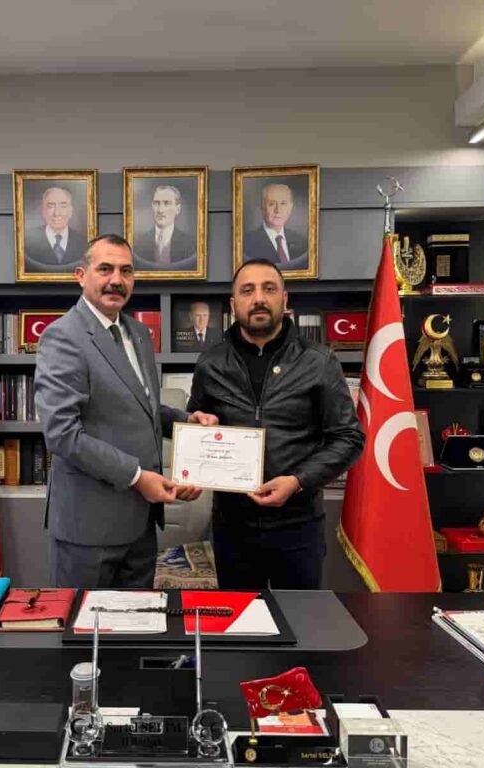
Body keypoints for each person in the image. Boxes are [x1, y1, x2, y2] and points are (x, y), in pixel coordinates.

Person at [35, 234, 217, 588]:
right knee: (83, 622)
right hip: (88, 531)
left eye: (126, 271)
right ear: (81, 276)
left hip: (141, 525)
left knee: (138, 620)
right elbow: (62, 434)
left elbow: (140, 406)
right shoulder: (63, 337)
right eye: (105, 269)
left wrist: (186, 423)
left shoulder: (138, 333)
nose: (116, 280)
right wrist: (136, 477)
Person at [187, 258, 364, 589]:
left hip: (299, 527)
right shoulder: (210, 364)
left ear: (285, 299)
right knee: (240, 619)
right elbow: (197, 426)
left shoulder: (319, 361)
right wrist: (194, 458)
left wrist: (297, 481)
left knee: (300, 618)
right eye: (247, 290)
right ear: (233, 304)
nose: (258, 298)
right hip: (232, 529)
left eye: (269, 289)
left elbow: (348, 438)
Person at [242, 182, 308, 269]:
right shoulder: (247, 243)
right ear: (262, 207)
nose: (278, 210)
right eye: (272, 204)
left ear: (290, 207)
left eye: (283, 203)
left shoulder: (302, 241)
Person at [23, 186, 89, 267]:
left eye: (63, 206)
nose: (57, 213)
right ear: (43, 211)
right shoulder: (27, 242)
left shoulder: (84, 242)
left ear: (70, 211)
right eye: (51, 206)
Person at [134, 185, 196, 265]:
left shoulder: (191, 244)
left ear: (178, 209)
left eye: (167, 203)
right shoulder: (138, 243)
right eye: (156, 203)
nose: (160, 210)